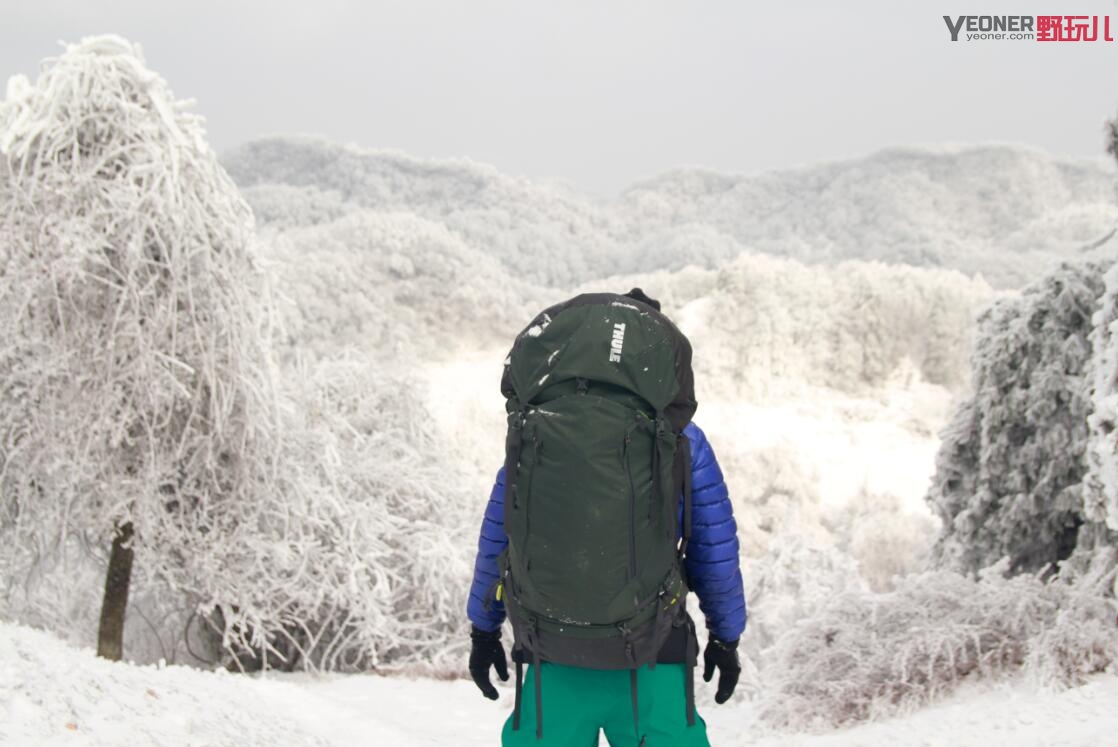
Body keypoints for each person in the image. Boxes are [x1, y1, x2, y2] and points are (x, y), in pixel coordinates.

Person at [466, 289, 746, 746]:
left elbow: (501, 535)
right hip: (655, 657)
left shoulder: (539, 433)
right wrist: (725, 636)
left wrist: (484, 627)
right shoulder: (682, 441)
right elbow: (713, 550)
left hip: (550, 653)